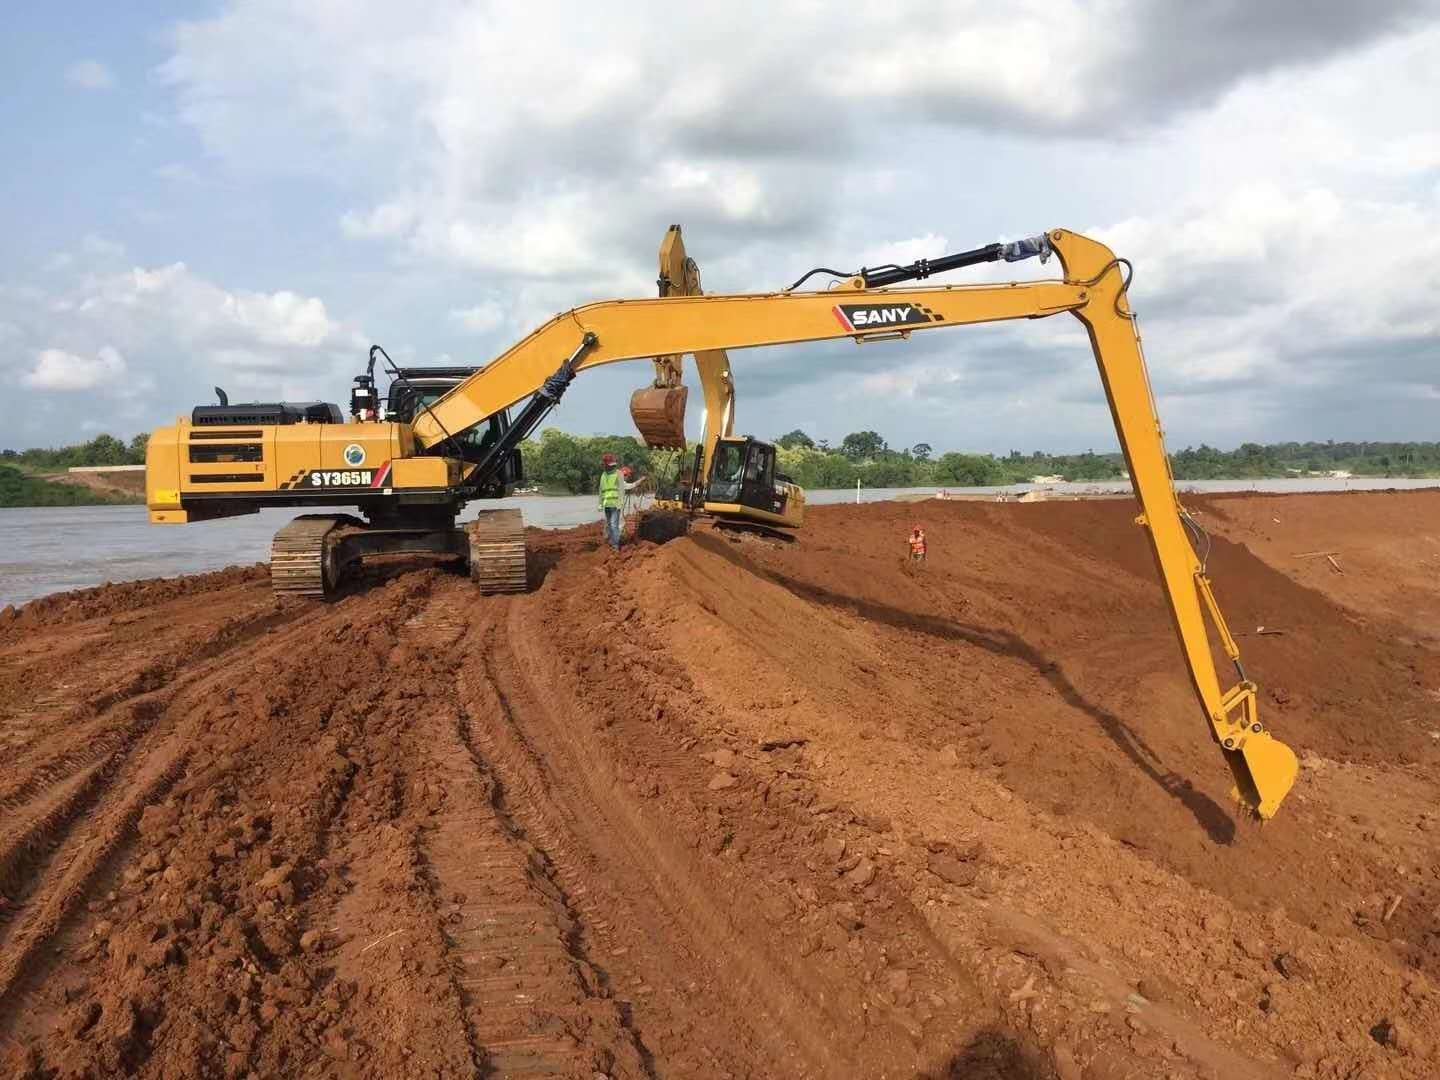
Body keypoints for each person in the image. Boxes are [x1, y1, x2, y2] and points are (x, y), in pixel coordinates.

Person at [598, 453, 646, 551]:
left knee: (609, 523)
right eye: (627, 476)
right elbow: (630, 486)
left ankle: (608, 540)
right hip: (614, 505)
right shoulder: (618, 478)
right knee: (616, 524)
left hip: (608, 504)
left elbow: (601, 490)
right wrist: (641, 480)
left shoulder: (606, 476)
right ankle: (616, 545)